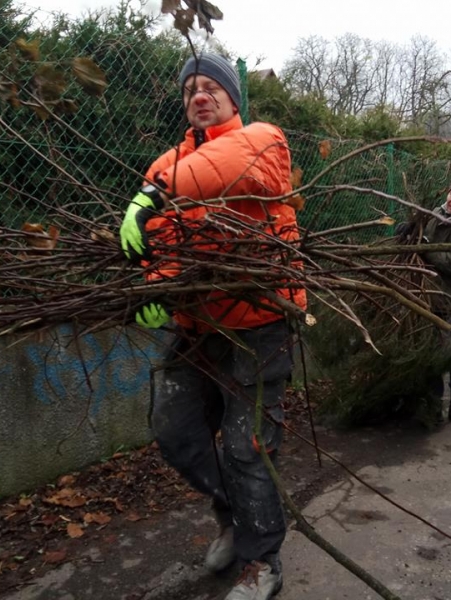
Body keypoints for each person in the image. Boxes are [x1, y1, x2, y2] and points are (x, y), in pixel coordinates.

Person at [119, 53, 306, 600]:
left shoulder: (263, 140)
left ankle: (261, 562)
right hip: (198, 325)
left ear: (232, 96)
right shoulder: (166, 165)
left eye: (210, 87)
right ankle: (235, 518)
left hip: (259, 325)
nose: (199, 96)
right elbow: (165, 244)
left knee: (248, 447)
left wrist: (155, 193)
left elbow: (227, 166)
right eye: (189, 90)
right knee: (175, 432)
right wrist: (158, 290)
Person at [397, 176, 451, 424]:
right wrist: (408, 232)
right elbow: (418, 240)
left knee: (450, 353)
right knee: (428, 353)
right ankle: (434, 403)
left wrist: (426, 247)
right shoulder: (435, 215)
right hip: (426, 296)